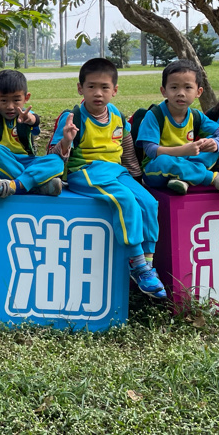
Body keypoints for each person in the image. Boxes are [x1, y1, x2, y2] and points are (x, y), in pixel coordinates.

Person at [49, 57, 166, 298]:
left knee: (148, 202)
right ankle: (137, 265)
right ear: (80, 88)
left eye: (104, 87)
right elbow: (51, 156)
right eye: (91, 86)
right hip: (86, 172)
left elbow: (128, 150)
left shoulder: (117, 116)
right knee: (125, 200)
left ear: (115, 90)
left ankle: (147, 264)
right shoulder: (72, 117)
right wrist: (67, 141)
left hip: (116, 172)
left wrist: (137, 177)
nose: (98, 93)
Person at [136, 59, 219, 197]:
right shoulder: (154, 115)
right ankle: (214, 179)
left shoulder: (196, 116)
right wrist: (183, 150)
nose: (181, 93)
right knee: (164, 161)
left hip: (188, 161)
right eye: (174, 87)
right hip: (157, 171)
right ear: (164, 91)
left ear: (198, 92)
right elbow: (151, 150)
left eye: (188, 87)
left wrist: (215, 143)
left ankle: (185, 179)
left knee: (215, 143)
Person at [0, 69, 65, 198]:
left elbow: (35, 120)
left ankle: (15, 185)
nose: (10, 106)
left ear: (26, 98)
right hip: (1, 163)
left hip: (26, 161)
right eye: (4, 100)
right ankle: (35, 185)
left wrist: (30, 119)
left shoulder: (26, 115)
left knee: (57, 161)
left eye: (16, 100)